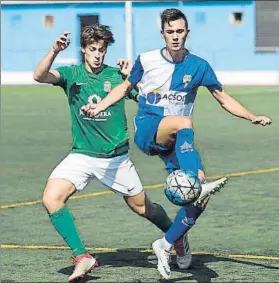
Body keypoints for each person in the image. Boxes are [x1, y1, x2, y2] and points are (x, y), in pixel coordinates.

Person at [81, 8, 272, 279]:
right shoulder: (146, 60)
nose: (174, 36)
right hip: (149, 130)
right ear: (162, 34)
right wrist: (100, 105)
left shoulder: (198, 66)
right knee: (183, 122)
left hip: (174, 142)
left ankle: (167, 243)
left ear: (187, 32)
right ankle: (195, 179)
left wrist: (251, 116)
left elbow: (222, 97)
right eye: (169, 32)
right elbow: (124, 88)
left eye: (179, 31)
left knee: (199, 197)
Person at [33, 25, 178, 282]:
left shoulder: (117, 75)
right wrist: (54, 51)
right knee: (51, 198)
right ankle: (82, 256)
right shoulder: (71, 74)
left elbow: (150, 99)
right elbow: (40, 75)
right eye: (92, 49)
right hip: (82, 155)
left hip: (116, 159)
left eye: (102, 49)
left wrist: (133, 76)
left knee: (144, 208)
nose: (98, 54)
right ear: (83, 50)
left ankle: (176, 235)